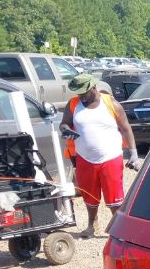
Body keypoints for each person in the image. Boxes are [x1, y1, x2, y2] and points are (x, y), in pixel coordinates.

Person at [60, 73, 140, 238]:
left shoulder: (111, 104)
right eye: (78, 94)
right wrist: (65, 130)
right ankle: (91, 225)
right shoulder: (74, 104)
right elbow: (64, 123)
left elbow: (126, 128)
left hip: (110, 157)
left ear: (93, 87)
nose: (81, 97)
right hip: (84, 158)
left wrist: (133, 153)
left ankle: (119, 229)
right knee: (89, 195)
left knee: (114, 198)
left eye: (84, 93)